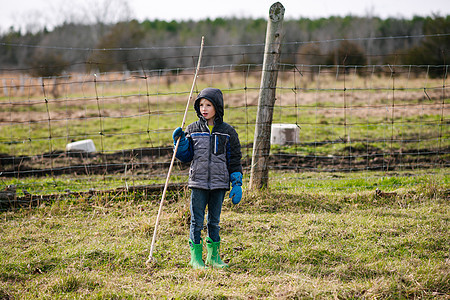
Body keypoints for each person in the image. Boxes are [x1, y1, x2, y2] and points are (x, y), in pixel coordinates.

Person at [172, 87, 243, 269]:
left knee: (214, 221)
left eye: (208, 105)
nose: (204, 108)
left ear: (217, 107)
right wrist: (179, 144)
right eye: (201, 105)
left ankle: (214, 257)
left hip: (219, 183)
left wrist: (236, 183)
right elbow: (186, 156)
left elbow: (234, 159)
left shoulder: (228, 132)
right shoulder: (192, 129)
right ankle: (196, 258)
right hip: (198, 182)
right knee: (197, 220)